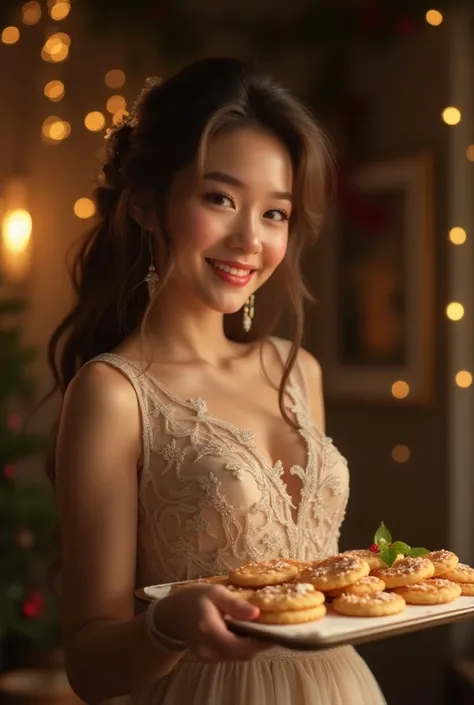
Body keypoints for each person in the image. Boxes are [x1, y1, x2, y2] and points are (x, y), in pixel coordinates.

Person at [47, 57, 386, 704]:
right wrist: (168, 626)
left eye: (275, 213)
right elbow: (89, 666)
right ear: (147, 205)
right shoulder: (115, 393)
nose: (249, 239)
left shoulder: (297, 371)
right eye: (220, 198)